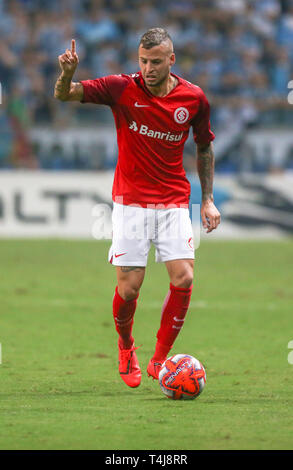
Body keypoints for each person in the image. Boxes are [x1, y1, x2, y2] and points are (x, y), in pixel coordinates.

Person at [54, 28, 221, 389]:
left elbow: (204, 147)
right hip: (130, 200)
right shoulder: (121, 87)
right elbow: (64, 94)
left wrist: (207, 199)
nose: (148, 68)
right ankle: (127, 345)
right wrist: (67, 71)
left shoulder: (193, 98)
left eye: (156, 62)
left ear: (171, 60)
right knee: (129, 289)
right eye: (143, 61)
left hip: (174, 199)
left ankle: (159, 358)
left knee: (185, 277)